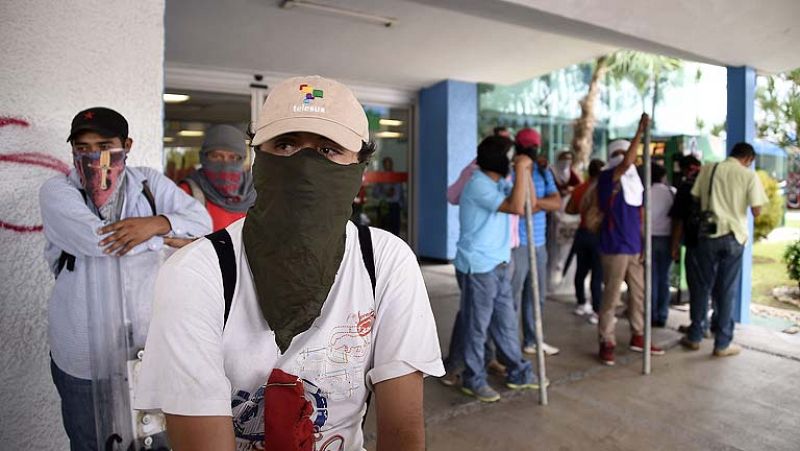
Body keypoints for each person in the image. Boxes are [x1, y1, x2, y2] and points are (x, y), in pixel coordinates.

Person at [134, 76, 444, 451]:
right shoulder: (197, 272)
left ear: (360, 168)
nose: (305, 166)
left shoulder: (385, 261)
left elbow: (403, 431)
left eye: (329, 150)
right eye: (286, 144)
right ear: (257, 157)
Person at [40, 107, 211, 450]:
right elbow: (100, 240)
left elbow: (201, 222)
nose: (93, 156)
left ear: (126, 144)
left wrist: (157, 221)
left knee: (153, 439)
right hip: (82, 352)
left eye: (104, 144)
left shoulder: (148, 182)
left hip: (145, 348)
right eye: (82, 147)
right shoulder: (57, 190)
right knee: (92, 441)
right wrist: (162, 234)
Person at [451, 134, 542, 403]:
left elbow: (529, 204)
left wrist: (526, 170)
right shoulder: (478, 184)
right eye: (510, 157)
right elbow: (515, 207)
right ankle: (473, 378)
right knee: (477, 327)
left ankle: (519, 372)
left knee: (505, 324)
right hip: (479, 266)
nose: (512, 161)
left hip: (501, 264)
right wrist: (521, 169)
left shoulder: (498, 182)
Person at [681, 142, 768, 356]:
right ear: (748, 159)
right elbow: (757, 211)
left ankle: (694, 336)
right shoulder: (748, 175)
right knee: (726, 290)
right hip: (733, 237)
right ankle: (722, 343)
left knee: (701, 287)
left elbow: (697, 197)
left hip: (708, 234)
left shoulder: (710, 168)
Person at [596, 114, 665, 366]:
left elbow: (641, 215)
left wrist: (644, 243)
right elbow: (625, 164)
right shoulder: (608, 177)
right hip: (614, 246)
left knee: (639, 295)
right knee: (612, 297)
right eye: (625, 155)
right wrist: (639, 132)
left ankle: (638, 335)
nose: (628, 161)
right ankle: (607, 340)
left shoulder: (636, 186)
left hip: (634, 247)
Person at [512, 129, 562, 357]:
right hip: (518, 244)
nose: (532, 150)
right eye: (528, 146)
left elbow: (556, 202)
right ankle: (509, 347)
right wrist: (538, 204)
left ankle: (533, 340)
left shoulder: (543, 172)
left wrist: (537, 203)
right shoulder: (513, 172)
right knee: (512, 298)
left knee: (537, 295)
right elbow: (521, 208)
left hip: (539, 243)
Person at [180, 124, 256, 231]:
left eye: (233, 157)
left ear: (243, 159)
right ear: (203, 158)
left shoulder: (258, 193)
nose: (226, 165)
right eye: (216, 156)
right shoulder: (187, 193)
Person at [668, 155, 710, 335]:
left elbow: (678, 220)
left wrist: (674, 245)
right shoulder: (712, 182)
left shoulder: (686, 186)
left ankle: (697, 328)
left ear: (685, 169)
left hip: (694, 241)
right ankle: (708, 325)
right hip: (717, 238)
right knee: (712, 284)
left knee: (697, 285)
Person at [565, 158, 606, 323]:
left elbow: (569, 209)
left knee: (581, 271)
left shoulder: (580, 189)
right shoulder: (604, 189)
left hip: (582, 233)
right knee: (597, 274)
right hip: (598, 235)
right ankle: (597, 310)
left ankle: (581, 303)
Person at [650, 163, 675, 327]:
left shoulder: (645, 193)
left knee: (651, 279)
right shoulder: (671, 192)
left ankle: (651, 314)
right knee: (664, 279)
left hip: (649, 239)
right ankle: (663, 314)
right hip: (667, 238)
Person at [371, 156, 404, 236]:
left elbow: (398, 194)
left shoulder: (396, 177)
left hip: (394, 206)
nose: (387, 166)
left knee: (394, 230)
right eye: (386, 164)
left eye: (389, 164)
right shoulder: (380, 178)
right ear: (383, 165)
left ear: (392, 165)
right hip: (383, 205)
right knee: (382, 231)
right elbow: (375, 193)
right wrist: (383, 192)